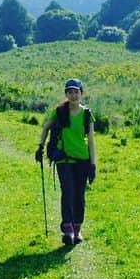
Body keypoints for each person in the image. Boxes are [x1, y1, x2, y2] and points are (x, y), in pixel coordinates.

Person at [35, 78, 97, 245]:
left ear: (81, 93)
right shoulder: (59, 111)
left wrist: (93, 165)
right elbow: (46, 127)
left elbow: (91, 141)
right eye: (70, 92)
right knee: (67, 192)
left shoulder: (87, 114)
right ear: (66, 94)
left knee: (79, 195)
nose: (73, 95)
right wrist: (40, 146)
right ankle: (68, 229)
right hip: (63, 159)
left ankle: (77, 229)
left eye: (76, 92)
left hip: (82, 159)